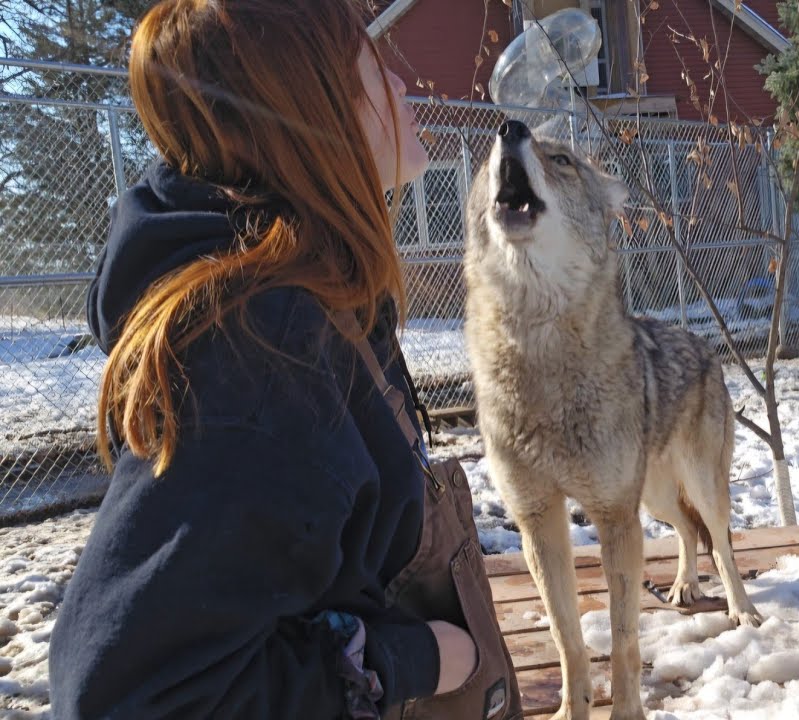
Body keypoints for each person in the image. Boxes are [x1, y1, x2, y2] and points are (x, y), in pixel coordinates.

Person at [48, 1, 519, 718]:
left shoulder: (315, 293)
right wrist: (414, 659)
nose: (404, 89)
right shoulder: (261, 350)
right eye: (374, 69)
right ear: (306, 109)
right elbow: (131, 694)